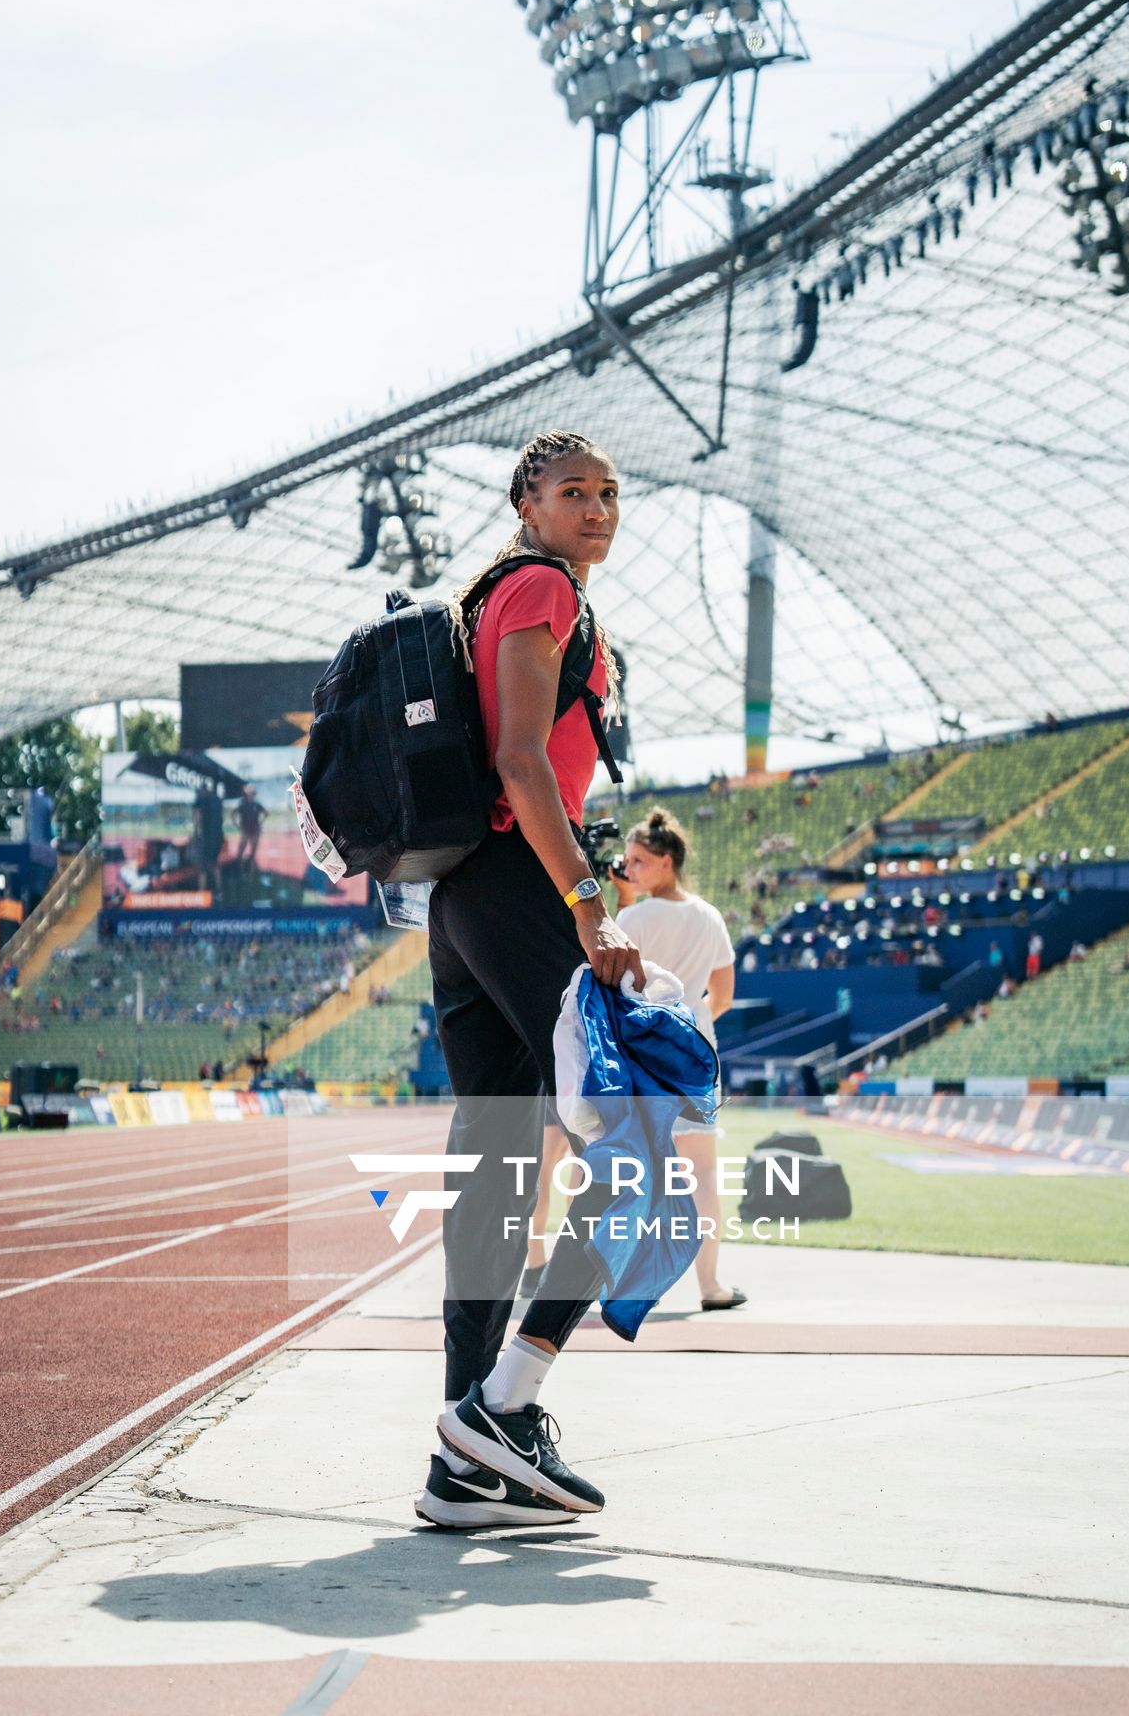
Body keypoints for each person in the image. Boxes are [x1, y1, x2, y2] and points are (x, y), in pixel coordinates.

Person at [417, 429, 646, 1534]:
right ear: (527, 503)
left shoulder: (505, 594)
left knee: (498, 1169)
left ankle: (460, 1466)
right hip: (516, 884)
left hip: (464, 896)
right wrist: (587, 904)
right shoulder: (542, 588)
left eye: (608, 492)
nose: (595, 508)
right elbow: (519, 761)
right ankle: (503, 1405)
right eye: (572, 491)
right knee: (644, 1137)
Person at [610, 808, 741, 1311]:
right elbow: (723, 995)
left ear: (666, 862)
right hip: (696, 1051)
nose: (629, 870)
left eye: (638, 861)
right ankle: (710, 1285)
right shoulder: (710, 916)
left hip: (645, 1053)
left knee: (636, 1172)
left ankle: (628, 1285)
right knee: (702, 1173)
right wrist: (693, 1018)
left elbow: (617, 991)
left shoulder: (633, 919)